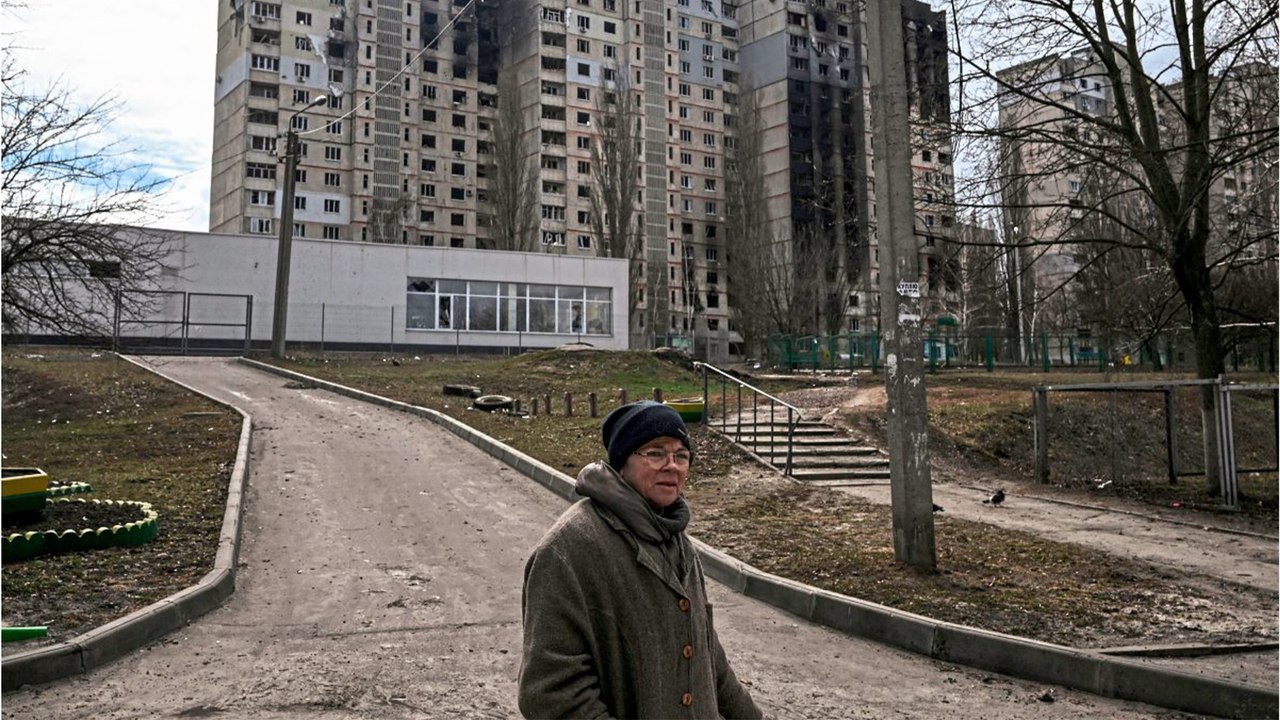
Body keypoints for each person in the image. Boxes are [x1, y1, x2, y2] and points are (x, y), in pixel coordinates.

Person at [518, 401, 763, 719]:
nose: (672, 466)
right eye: (656, 452)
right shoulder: (568, 550)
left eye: (681, 456)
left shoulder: (674, 538)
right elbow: (551, 693)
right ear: (622, 463)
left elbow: (707, 653)